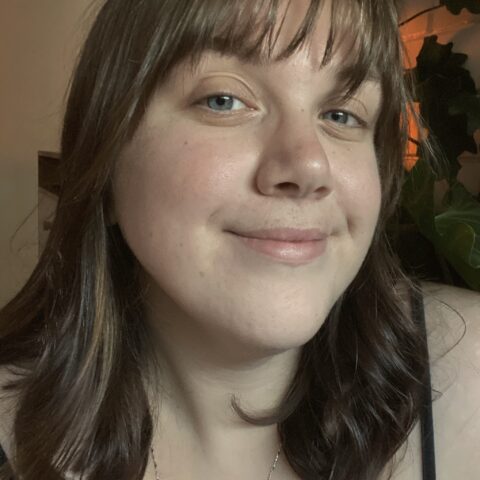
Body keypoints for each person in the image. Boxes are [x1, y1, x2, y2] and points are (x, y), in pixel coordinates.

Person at [0, 0, 479, 479]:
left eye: (340, 114)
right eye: (223, 100)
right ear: (104, 166)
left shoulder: (468, 374)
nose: (310, 166)